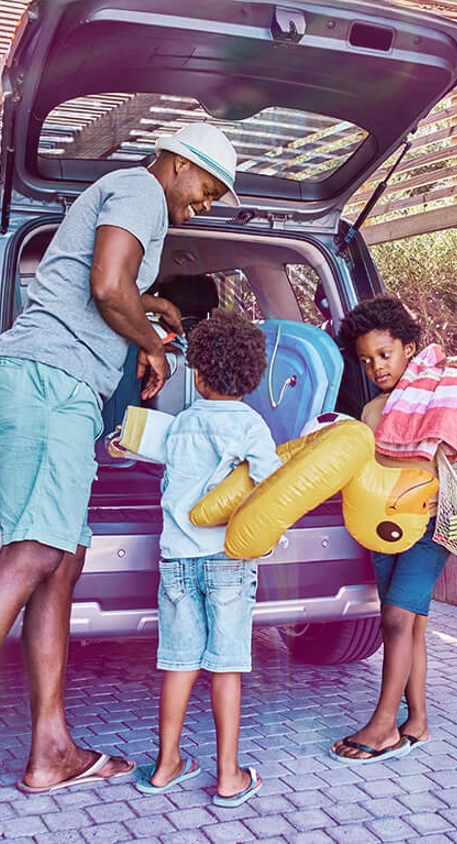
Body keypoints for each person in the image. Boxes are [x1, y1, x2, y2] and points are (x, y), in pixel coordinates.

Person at [0, 123, 240, 841]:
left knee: (59, 563)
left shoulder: (134, 201)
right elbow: (107, 284)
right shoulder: (139, 188)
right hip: (51, 384)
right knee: (36, 551)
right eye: (204, 190)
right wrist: (152, 345)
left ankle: (50, 750)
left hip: (54, 387)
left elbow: (112, 286)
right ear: (176, 163)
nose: (201, 206)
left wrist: (155, 310)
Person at [329, 295, 457, 764]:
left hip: (431, 523)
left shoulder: (437, 392)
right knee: (409, 625)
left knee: (397, 620)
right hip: (385, 528)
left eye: (385, 354)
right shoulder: (374, 411)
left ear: (408, 348)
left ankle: (382, 726)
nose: (377, 366)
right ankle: (416, 722)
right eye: (366, 360)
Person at [135, 310, 279, 808]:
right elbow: (272, 484)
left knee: (177, 663)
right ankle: (227, 775)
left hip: (176, 559)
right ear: (253, 376)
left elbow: (154, 459)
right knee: (226, 666)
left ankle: (166, 764)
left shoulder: (181, 424)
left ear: (196, 374)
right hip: (227, 562)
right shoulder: (252, 426)